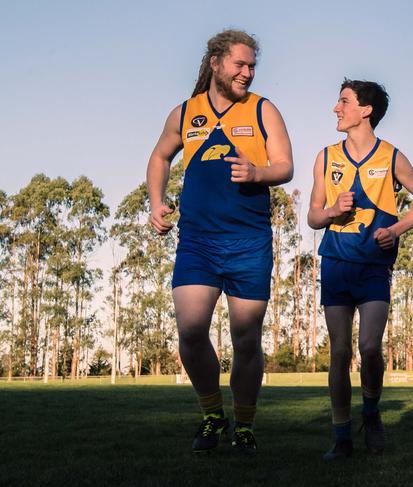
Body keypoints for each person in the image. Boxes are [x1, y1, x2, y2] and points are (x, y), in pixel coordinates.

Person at [146, 29, 293, 455]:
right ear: (215, 62)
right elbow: (159, 156)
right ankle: (212, 416)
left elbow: (285, 166)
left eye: (252, 67)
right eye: (239, 65)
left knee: (246, 339)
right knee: (191, 332)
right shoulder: (184, 113)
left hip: (249, 242)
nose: (247, 73)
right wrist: (156, 203)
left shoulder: (264, 110)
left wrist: (257, 173)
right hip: (197, 242)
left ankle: (244, 426)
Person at [307, 79, 413, 461]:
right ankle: (342, 436)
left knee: (369, 348)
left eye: (344, 101)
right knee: (340, 352)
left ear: (366, 110)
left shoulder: (391, 156)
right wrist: (332, 211)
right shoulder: (326, 157)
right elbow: (314, 216)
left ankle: (371, 412)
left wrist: (395, 230)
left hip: (373, 269)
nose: (336, 108)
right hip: (335, 263)